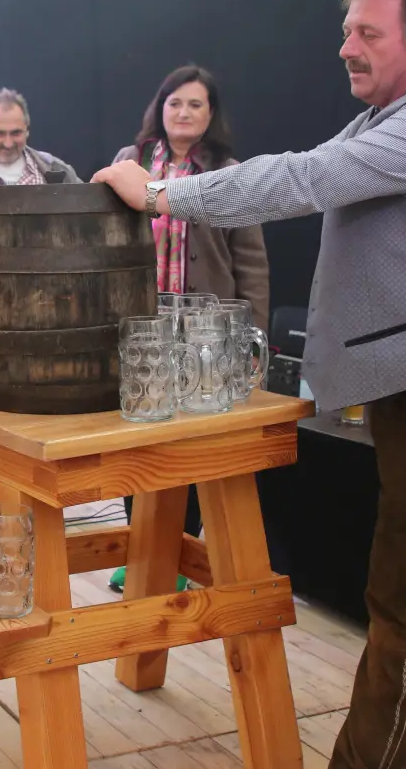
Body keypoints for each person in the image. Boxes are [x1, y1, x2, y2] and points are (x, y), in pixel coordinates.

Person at [94, 0, 406, 769]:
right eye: (346, 31)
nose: (346, 47)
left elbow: (301, 178)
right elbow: (303, 166)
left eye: (367, 32)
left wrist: (160, 196)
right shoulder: (390, 115)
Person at [108, 65, 270, 594]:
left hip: (206, 330)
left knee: (193, 443)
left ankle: (176, 554)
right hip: (145, 327)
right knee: (140, 440)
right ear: (160, 107)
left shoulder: (230, 170)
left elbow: (252, 261)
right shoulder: (130, 163)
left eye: (195, 105)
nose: (183, 113)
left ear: (211, 114)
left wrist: (254, 340)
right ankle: (139, 552)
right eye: (174, 102)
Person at [0, 88, 81, 185]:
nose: (8, 143)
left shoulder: (56, 169)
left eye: (16, 133)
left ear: (27, 130)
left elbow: (86, 203)